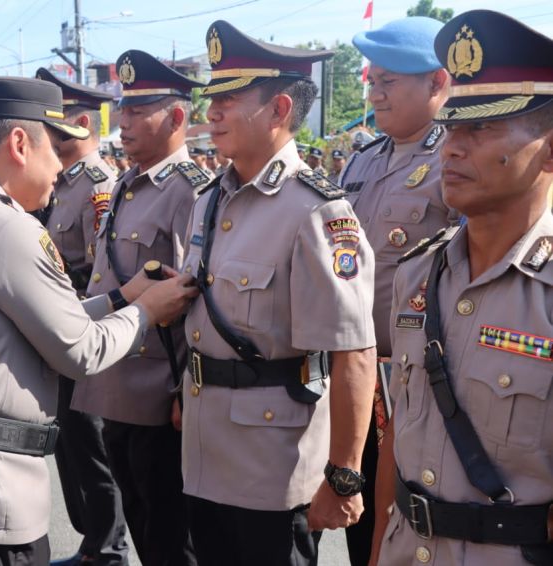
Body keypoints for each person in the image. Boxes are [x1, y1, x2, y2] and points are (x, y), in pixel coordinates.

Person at [0, 77, 198, 566]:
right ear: (20, 144)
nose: (59, 166)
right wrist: (148, 310)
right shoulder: (5, 227)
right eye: (55, 147)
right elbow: (80, 351)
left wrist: (120, 298)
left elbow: (25, 325)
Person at [180, 20, 377, 566]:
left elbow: (354, 350)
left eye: (229, 98)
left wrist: (343, 474)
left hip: (274, 462)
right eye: (211, 99)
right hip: (204, 450)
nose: (212, 112)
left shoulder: (317, 210)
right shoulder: (209, 199)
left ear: (279, 110)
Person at [371, 10, 553, 566]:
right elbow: (399, 433)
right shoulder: (418, 275)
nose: (451, 148)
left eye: (482, 127)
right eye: (452, 126)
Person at [71, 49, 209, 566]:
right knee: (143, 525)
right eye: (121, 110)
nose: (122, 122)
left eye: (136, 111)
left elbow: (191, 298)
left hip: (159, 398)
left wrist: (186, 394)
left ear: (176, 118)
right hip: (116, 387)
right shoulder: (128, 183)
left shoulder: (189, 192)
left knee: (171, 538)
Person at [338, 16, 460, 566]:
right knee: (349, 508)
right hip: (345, 373)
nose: (374, 91)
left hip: (408, 382)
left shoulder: (456, 160)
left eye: (390, 80)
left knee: (400, 524)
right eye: (373, 79)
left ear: (437, 83)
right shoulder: (364, 158)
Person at [33, 67, 130, 566]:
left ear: (81, 124)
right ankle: (93, 540)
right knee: (70, 446)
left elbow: (101, 271)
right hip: (60, 329)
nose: (43, 134)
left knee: (92, 447)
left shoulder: (99, 186)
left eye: (52, 123)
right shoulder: (60, 184)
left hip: (86, 329)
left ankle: (108, 548)